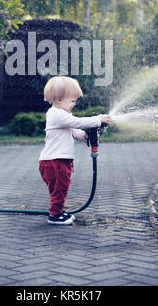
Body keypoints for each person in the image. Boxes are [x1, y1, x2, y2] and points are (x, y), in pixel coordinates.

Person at [39, 76, 110, 226]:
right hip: (55, 162)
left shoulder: (62, 116)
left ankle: (57, 211)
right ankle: (55, 215)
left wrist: (85, 136)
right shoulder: (56, 114)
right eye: (72, 101)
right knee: (59, 189)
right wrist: (99, 119)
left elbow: (73, 131)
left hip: (57, 161)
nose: (74, 104)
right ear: (58, 99)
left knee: (60, 188)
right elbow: (78, 122)